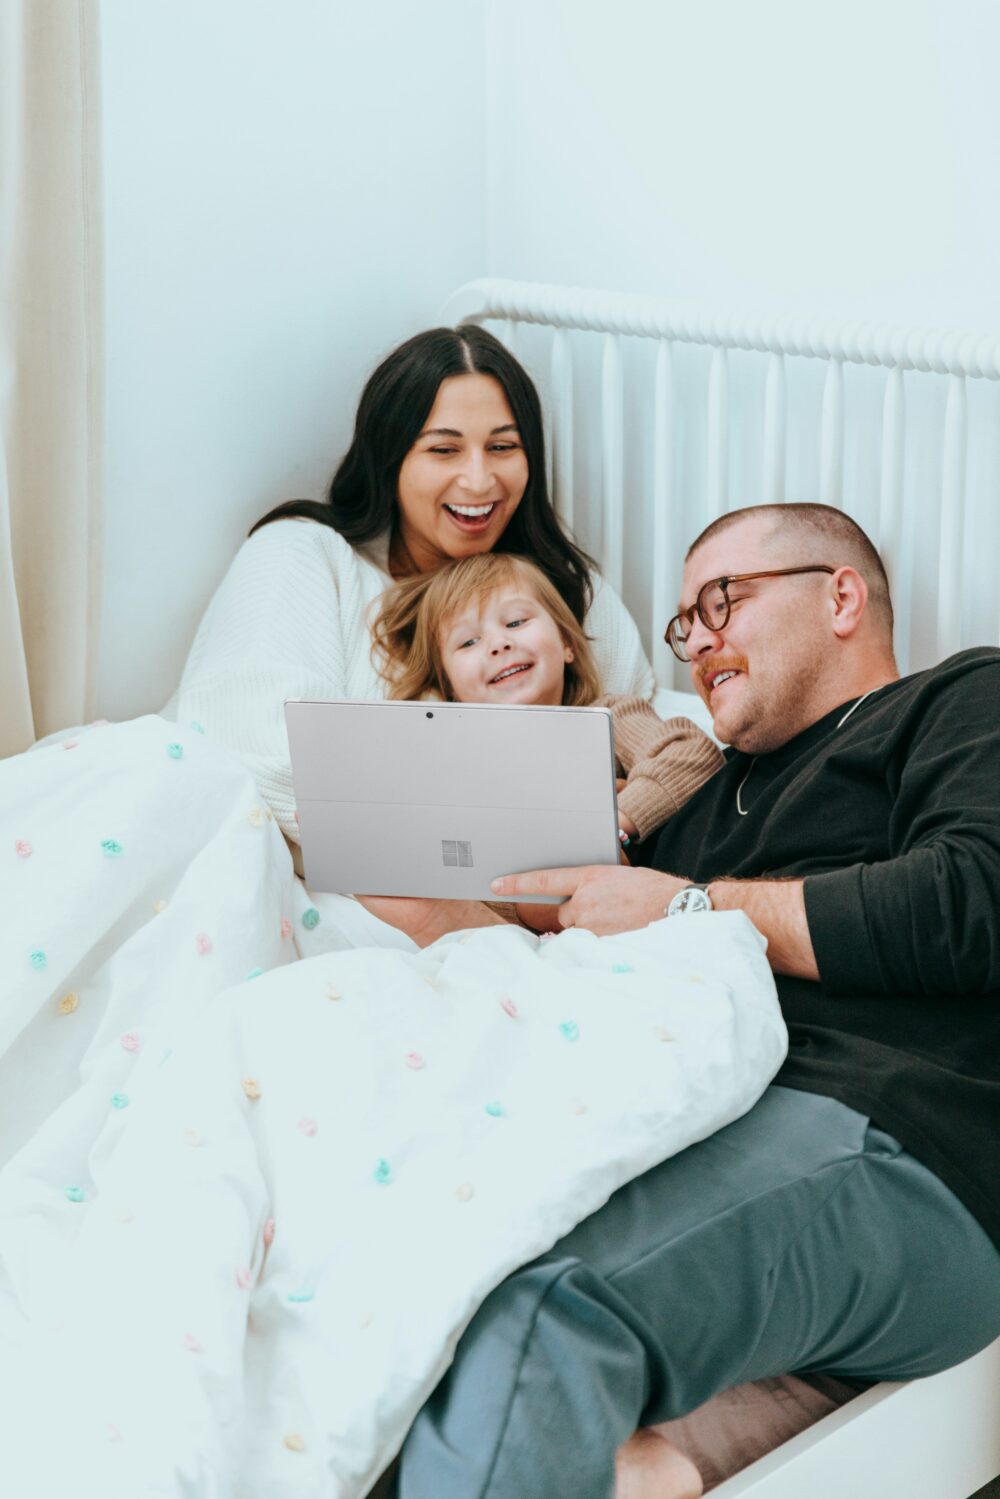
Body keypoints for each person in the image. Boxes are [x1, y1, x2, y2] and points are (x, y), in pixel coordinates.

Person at [391, 502, 1000, 1499]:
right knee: (403, 1288)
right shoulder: (703, 806)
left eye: (722, 601)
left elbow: (975, 899)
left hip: (899, 1135)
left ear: (840, 594)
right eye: (683, 624)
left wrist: (688, 907)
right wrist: (436, 912)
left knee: (538, 1312)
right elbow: (586, 966)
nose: (700, 638)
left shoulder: (958, 699)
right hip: (692, 1121)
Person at [170, 325, 654, 854]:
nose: (478, 480)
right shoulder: (304, 556)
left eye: (503, 446)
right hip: (273, 855)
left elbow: (641, 737)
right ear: (390, 458)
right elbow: (256, 749)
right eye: (444, 449)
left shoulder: (571, 593)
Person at [370, 551, 723, 848]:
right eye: (468, 642)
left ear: (567, 645)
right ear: (449, 688)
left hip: (603, 882)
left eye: (516, 622)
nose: (498, 644)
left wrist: (610, 820)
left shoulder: (610, 715)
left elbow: (690, 755)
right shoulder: (451, 755)